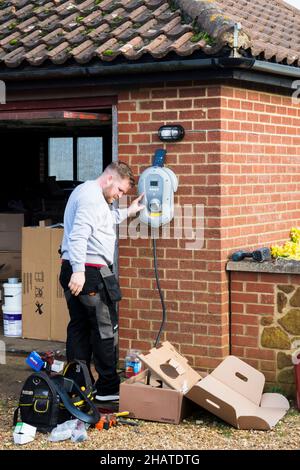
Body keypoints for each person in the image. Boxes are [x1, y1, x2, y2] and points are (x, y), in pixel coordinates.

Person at [59, 161, 144, 401]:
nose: (119, 196)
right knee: (105, 329)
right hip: (89, 271)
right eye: (120, 191)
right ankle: (108, 388)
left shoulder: (87, 192)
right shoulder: (92, 198)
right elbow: (79, 234)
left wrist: (129, 210)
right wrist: (79, 270)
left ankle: (77, 387)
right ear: (109, 179)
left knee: (80, 327)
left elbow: (103, 220)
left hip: (75, 268)